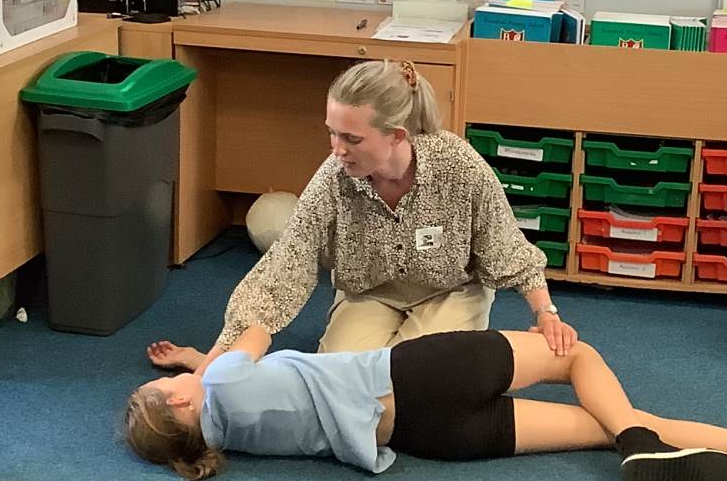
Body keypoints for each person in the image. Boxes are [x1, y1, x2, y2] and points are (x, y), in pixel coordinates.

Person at [148, 59, 572, 369]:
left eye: (351, 138)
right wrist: (216, 362)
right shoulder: (334, 177)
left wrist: (546, 314)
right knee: (340, 381)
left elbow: (506, 245)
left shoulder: (457, 165)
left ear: (397, 136)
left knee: (414, 377)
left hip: (450, 292)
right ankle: (213, 363)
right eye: (332, 133)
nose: (337, 150)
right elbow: (284, 268)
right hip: (371, 291)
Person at [126, 327, 727, 481]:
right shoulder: (222, 381)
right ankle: (642, 434)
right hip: (419, 373)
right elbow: (251, 336)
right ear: (182, 399)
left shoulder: (233, 438)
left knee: (598, 429)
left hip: (433, 434)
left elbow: (233, 381)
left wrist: (190, 364)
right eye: (169, 390)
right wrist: (201, 359)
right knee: (576, 358)